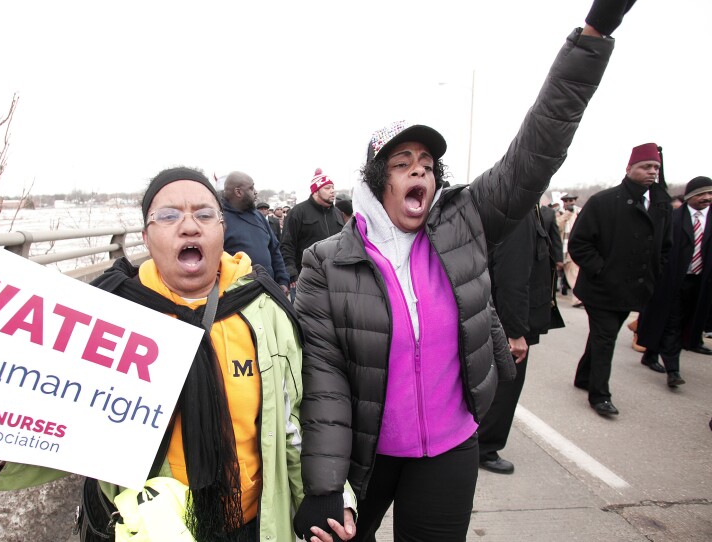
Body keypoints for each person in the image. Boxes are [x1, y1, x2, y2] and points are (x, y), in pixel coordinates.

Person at [292, 2, 624, 538]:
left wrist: (593, 37)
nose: (417, 170)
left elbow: (537, 148)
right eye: (402, 164)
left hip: (450, 447)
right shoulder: (326, 263)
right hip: (365, 455)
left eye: (427, 163)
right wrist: (326, 486)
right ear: (378, 182)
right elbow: (324, 382)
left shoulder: (464, 222)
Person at [0, 167, 354, 542]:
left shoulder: (266, 312)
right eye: (169, 215)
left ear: (224, 230)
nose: (189, 226)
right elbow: (63, 421)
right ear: (146, 237)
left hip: (255, 523)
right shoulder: (108, 314)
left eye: (204, 214)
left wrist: (331, 495)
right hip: (146, 526)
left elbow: (294, 420)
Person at [569, 143, 672, 416]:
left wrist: (655, 273)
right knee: (605, 338)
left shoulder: (660, 205)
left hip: (633, 289)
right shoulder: (604, 202)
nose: (652, 172)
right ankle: (599, 395)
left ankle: (583, 376)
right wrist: (603, 271)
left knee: (605, 334)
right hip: (601, 289)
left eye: (656, 168)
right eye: (646, 167)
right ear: (629, 169)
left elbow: (665, 247)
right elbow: (579, 244)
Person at [479, 204, 563, 474]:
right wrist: (514, 332)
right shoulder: (520, 213)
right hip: (510, 323)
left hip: (509, 318)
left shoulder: (527, 209)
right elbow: (511, 277)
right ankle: (484, 447)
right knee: (505, 387)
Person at [637, 176, 712, 387]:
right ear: (689, 196)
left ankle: (650, 354)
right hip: (672, 280)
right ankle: (673, 370)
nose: (707, 198)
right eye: (701, 194)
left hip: (699, 282)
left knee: (687, 320)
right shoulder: (674, 219)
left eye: (710, 193)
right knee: (672, 322)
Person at [221, 172, 290, 294]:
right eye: (251, 188)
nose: (255, 192)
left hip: (269, 290)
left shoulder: (259, 216)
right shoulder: (220, 220)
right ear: (238, 192)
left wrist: (282, 280)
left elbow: (274, 250)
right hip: (238, 295)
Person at [280, 168, 344, 294]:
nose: (332, 191)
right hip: (305, 280)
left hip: (335, 280)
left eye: (332, 187)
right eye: (327, 188)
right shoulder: (298, 212)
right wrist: (292, 273)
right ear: (315, 191)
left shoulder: (337, 214)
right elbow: (287, 245)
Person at [557, 193, 583, 306]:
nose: (569, 202)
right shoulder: (560, 213)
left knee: (576, 274)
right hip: (563, 249)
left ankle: (578, 299)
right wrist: (567, 214)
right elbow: (557, 226)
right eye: (566, 200)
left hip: (577, 247)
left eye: (571, 200)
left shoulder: (580, 212)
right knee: (571, 274)